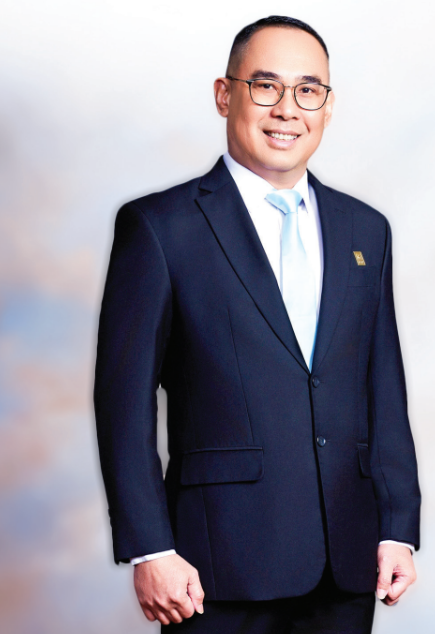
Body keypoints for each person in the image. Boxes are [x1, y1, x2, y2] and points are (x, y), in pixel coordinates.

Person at [94, 15, 421, 633]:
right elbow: (123, 401)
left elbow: (383, 388)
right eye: (266, 85)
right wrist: (150, 548)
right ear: (225, 94)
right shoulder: (161, 228)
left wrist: (398, 527)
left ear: (328, 106)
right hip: (213, 566)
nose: (287, 109)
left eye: (308, 90)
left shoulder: (365, 229)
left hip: (348, 562)